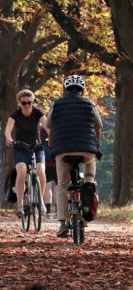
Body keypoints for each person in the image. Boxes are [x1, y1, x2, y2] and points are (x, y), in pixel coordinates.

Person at [46, 75, 102, 237]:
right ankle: (88, 189)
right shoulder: (90, 104)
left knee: (62, 185)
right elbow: (98, 126)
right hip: (87, 150)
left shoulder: (56, 105)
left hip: (63, 150)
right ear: (82, 90)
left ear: (65, 89)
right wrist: (95, 144)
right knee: (90, 173)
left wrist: (51, 145)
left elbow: (49, 126)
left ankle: (63, 224)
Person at [4, 90, 47, 216]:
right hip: (20, 147)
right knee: (22, 170)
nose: (27, 105)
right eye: (24, 103)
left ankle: (41, 201)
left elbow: (47, 126)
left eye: (30, 102)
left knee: (41, 171)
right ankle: (20, 205)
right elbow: (8, 130)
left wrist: (51, 137)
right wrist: (9, 138)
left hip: (36, 147)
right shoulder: (15, 115)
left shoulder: (38, 113)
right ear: (19, 103)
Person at [40, 128, 57, 218]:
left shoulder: (43, 128)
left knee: (47, 187)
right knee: (59, 187)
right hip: (58, 160)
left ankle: (48, 212)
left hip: (46, 162)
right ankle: (59, 211)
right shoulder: (59, 121)